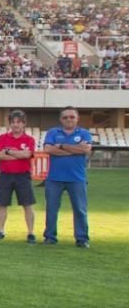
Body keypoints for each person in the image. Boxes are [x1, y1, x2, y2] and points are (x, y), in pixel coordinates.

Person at [42, 106, 92, 248]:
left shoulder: (84, 133)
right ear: (60, 119)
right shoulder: (53, 132)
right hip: (54, 178)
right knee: (51, 209)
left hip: (77, 178)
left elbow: (86, 149)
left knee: (80, 210)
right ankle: (50, 237)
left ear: (77, 118)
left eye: (72, 117)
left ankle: (82, 239)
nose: (68, 119)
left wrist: (62, 146)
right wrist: (75, 149)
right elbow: (48, 149)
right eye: (65, 117)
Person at [0, 110, 37, 243]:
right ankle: (0, 230)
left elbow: (27, 155)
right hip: (5, 175)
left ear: (24, 124)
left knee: (27, 204)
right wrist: (17, 155)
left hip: (23, 176)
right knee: (2, 204)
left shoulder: (29, 139)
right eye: (13, 122)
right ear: (10, 124)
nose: (16, 125)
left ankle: (30, 232)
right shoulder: (2, 138)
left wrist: (8, 151)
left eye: (19, 122)